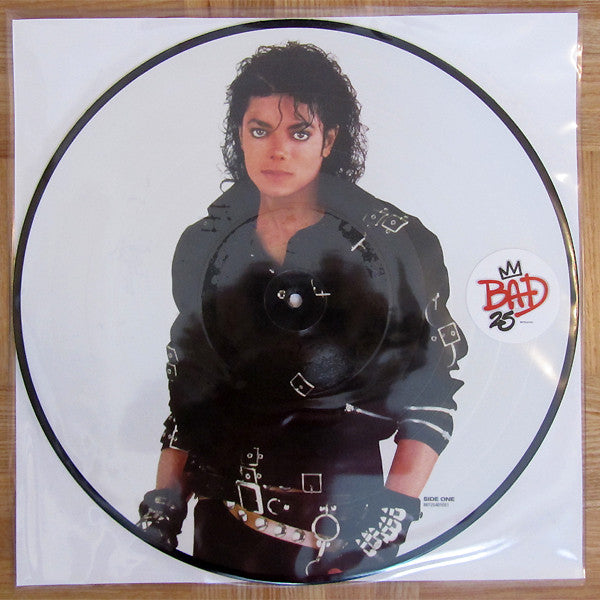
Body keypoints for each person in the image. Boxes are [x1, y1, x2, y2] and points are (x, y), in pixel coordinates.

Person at [137, 42, 467, 582]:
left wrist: (390, 520)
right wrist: (166, 501)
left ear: (329, 139)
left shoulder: (398, 246)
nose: (277, 151)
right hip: (220, 529)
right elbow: (190, 391)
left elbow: (430, 393)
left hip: (345, 542)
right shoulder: (203, 246)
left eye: (299, 132)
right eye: (259, 130)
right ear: (239, 136)